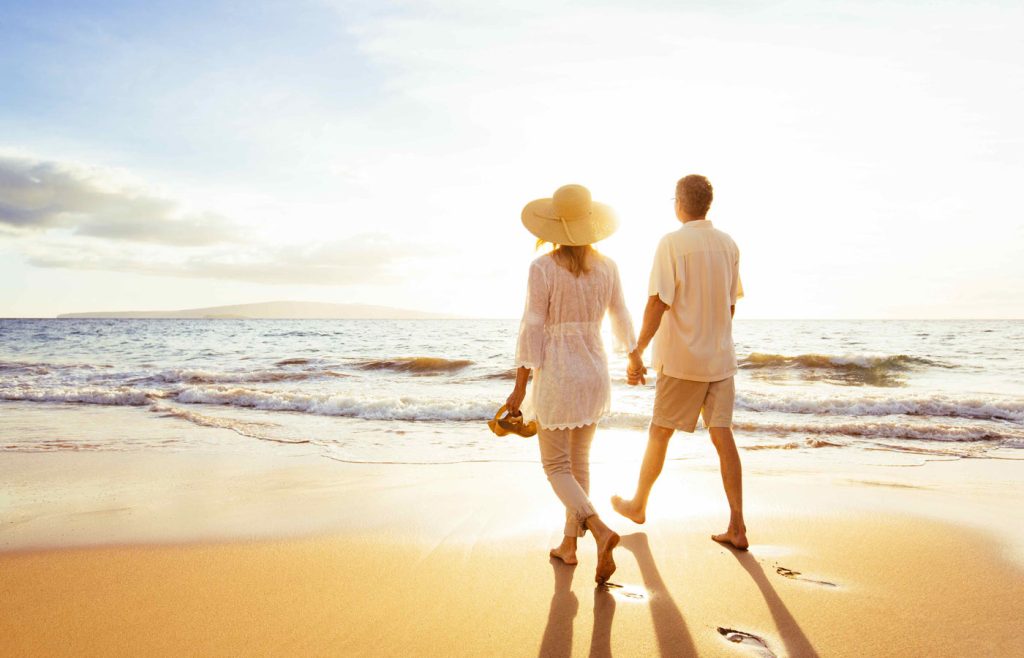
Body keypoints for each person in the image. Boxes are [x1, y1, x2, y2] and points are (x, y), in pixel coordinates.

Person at [505, 183, 637, 584]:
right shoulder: (608, 267)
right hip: (595, 370)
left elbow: (533, 327)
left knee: (556, 466)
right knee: (579, 463)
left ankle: (598, 529)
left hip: (560, 372)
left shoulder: (542, 268)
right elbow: (620, 315)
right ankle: (569, 545)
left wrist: (520, 385)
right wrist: (633, 355)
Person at [612, 174, 749, 550]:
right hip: (720, 359)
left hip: (682, 360)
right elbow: (730, 304)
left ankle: (638, 504)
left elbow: (659, 301)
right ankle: (737, 526)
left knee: (660, 432)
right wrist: (715, 337)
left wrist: (638, 350)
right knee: (723, 437)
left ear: (679, 203)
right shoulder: (729, 244)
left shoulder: (671, 243)